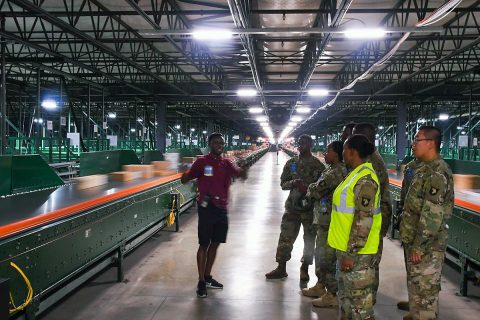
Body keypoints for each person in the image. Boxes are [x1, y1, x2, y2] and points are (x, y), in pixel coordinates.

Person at [181, 133, 248, 298]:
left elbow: (241, 175)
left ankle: (208, 276)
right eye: (216, 142)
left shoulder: (226, 163)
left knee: (216, 243)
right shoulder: (202, 162)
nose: (219, 145)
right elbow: (186, 179)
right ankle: (201, 281)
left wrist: (244, 167)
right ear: (210, 144)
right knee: (204, 244)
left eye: (221, 143)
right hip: (207, 208)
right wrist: (184, 173)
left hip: (222, 209)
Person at [398, 126, 454, 320]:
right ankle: (416, 312)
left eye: (417, 140)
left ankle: (422, 314)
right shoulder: (423, 169)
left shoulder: (438, 173)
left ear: (430, 143)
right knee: (416, 285)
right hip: (414, 238)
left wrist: (419, 247)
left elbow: (432, 216)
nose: (413, 144)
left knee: (425, 291)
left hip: (426, 246)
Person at [328, 134, 381, 320]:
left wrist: (351, 253)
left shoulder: (365, 179)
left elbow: (363, 220)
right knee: (348, 302)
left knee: (360, 307)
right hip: (346, 249)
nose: (343, 154)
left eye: (344, 150)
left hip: (358, 254)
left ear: (352, 152)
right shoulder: (354, 174)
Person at [265, 134, 325, 281]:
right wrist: (293, 183)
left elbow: (323, 189)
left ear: (310, 145)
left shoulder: (318, 166)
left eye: (304, 143)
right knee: (285, 237)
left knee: (309, 240)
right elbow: (283, 184)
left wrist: (308, 189)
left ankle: (304, 268)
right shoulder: (291, 163)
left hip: (310, 210)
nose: (300, 145)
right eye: (299, 143)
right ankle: (281, 268)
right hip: (292, 208)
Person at [301, 141, 348, 307]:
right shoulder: (331, 170)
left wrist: (309, 188)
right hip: (324, 219)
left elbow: (315, 190)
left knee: (325, 258)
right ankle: (321, 286)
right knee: (321, 254)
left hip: (329, 222)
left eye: (328, 151)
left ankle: (332, 294)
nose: (325, 154)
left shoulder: (335, 172)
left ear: (336, 154)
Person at [352, 123, 392, 302]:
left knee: (369, 260)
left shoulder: (372, 163)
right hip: (372, 218)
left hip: (373, 220)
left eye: (355, 136)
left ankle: (368, 298)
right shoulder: (368, 159)